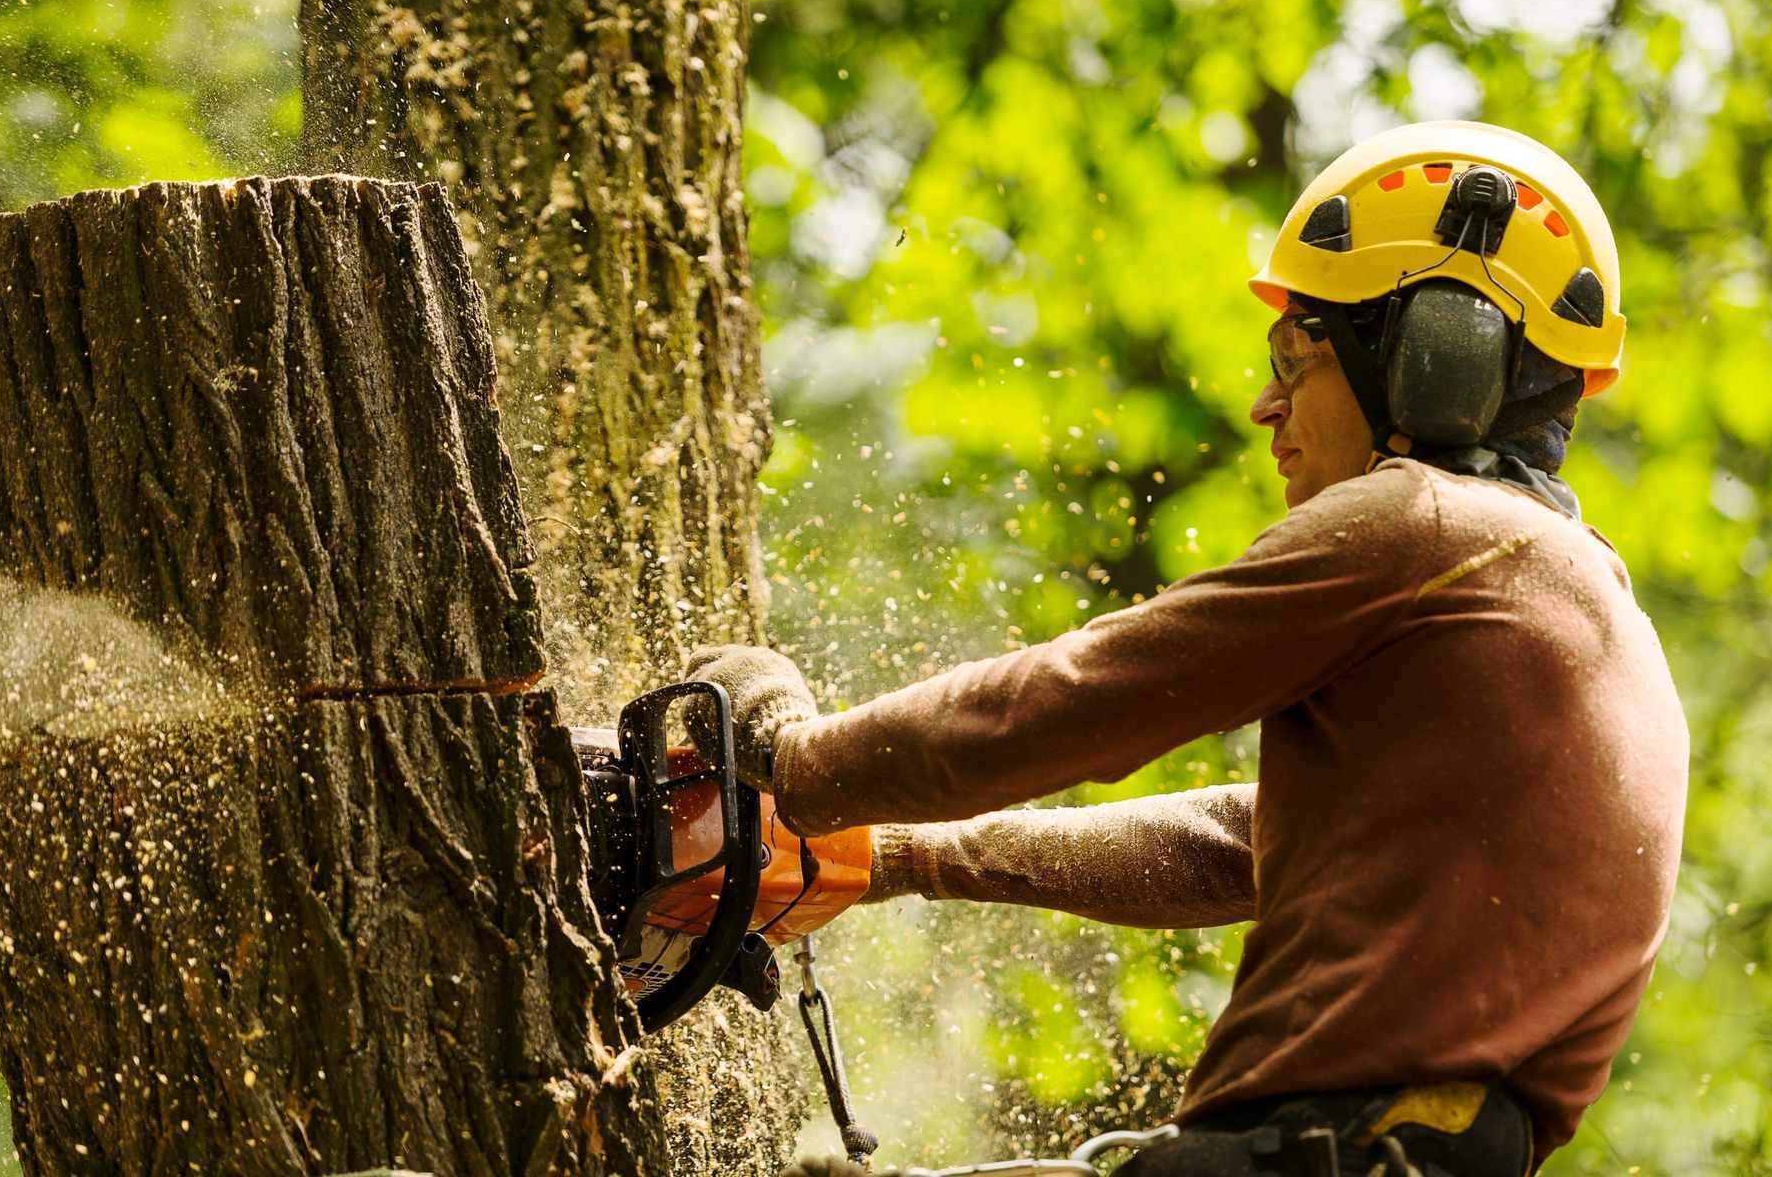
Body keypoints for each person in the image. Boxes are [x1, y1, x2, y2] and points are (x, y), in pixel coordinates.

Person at [692, 122, 1688, 1176]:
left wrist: (789, 760)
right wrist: (901, 855)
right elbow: (1240, 841)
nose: (1266, 404)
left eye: (1296, 356)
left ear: (1437, 356)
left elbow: (1080, 697)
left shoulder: (1430, 527)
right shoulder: (1578, 603)